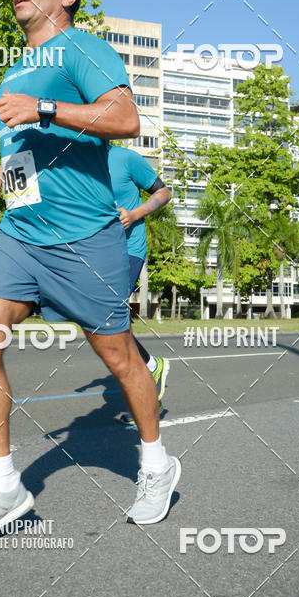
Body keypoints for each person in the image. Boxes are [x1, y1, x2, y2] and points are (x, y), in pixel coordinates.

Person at [0, 0, 180, 547]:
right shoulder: (12, 72)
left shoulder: (81, 49)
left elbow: (125, 118)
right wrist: (0, 175)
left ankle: (156, 464)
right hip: (21, 234)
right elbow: (28, 152)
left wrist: (44, 108)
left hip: (85, 239)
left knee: (121, 359)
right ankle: (3, 487)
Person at [107, 144, 172, 422]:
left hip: (128, 250)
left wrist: (134, 214)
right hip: (96, 252)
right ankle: (150, 368)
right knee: (106, 324)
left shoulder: (125, 158)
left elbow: (164, 192)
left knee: (110, 317)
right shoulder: (77, 162)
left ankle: (148, 372)